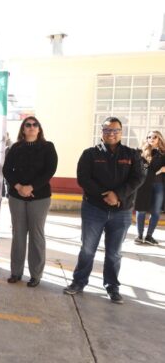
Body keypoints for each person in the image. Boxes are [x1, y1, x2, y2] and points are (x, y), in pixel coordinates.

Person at [63, 117, 145, 304]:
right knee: (87, 249)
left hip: (121, 211)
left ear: (121, 132)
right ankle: (79, 282)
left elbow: (138, 178)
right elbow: (83, 179)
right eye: (107, 130)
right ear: (102, 132)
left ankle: (112, 287)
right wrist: (104, 195)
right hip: (94, 209)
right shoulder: (90, 154)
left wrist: (117, 195)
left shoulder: (132, 155)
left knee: (114, 253)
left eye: (115, 130)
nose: (111, 133)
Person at [2, 117, 58, 287]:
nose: (32, 127)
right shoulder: (15, 147)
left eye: (35, 125)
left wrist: (31, 187)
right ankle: (16, 272)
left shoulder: (48, 147)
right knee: (18, 234)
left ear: (39, 129)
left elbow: (50, 170)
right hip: (17, 196)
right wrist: (19, 187)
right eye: (28, 125)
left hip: (39, 197)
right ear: (23, 129)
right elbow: (6, 169)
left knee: (36, 235)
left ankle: (36, 274)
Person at [134, 130, 165, 246]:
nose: (151, 139)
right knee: (141, 209)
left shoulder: (163, 153)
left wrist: (161, 170)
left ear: (159, 139)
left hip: (159, 185)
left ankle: (149, 236)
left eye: (154, 137)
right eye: (149, 137)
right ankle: (139, 236)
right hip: (143, 185)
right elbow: (139, 169)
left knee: (156, 211)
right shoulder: (141, 152)